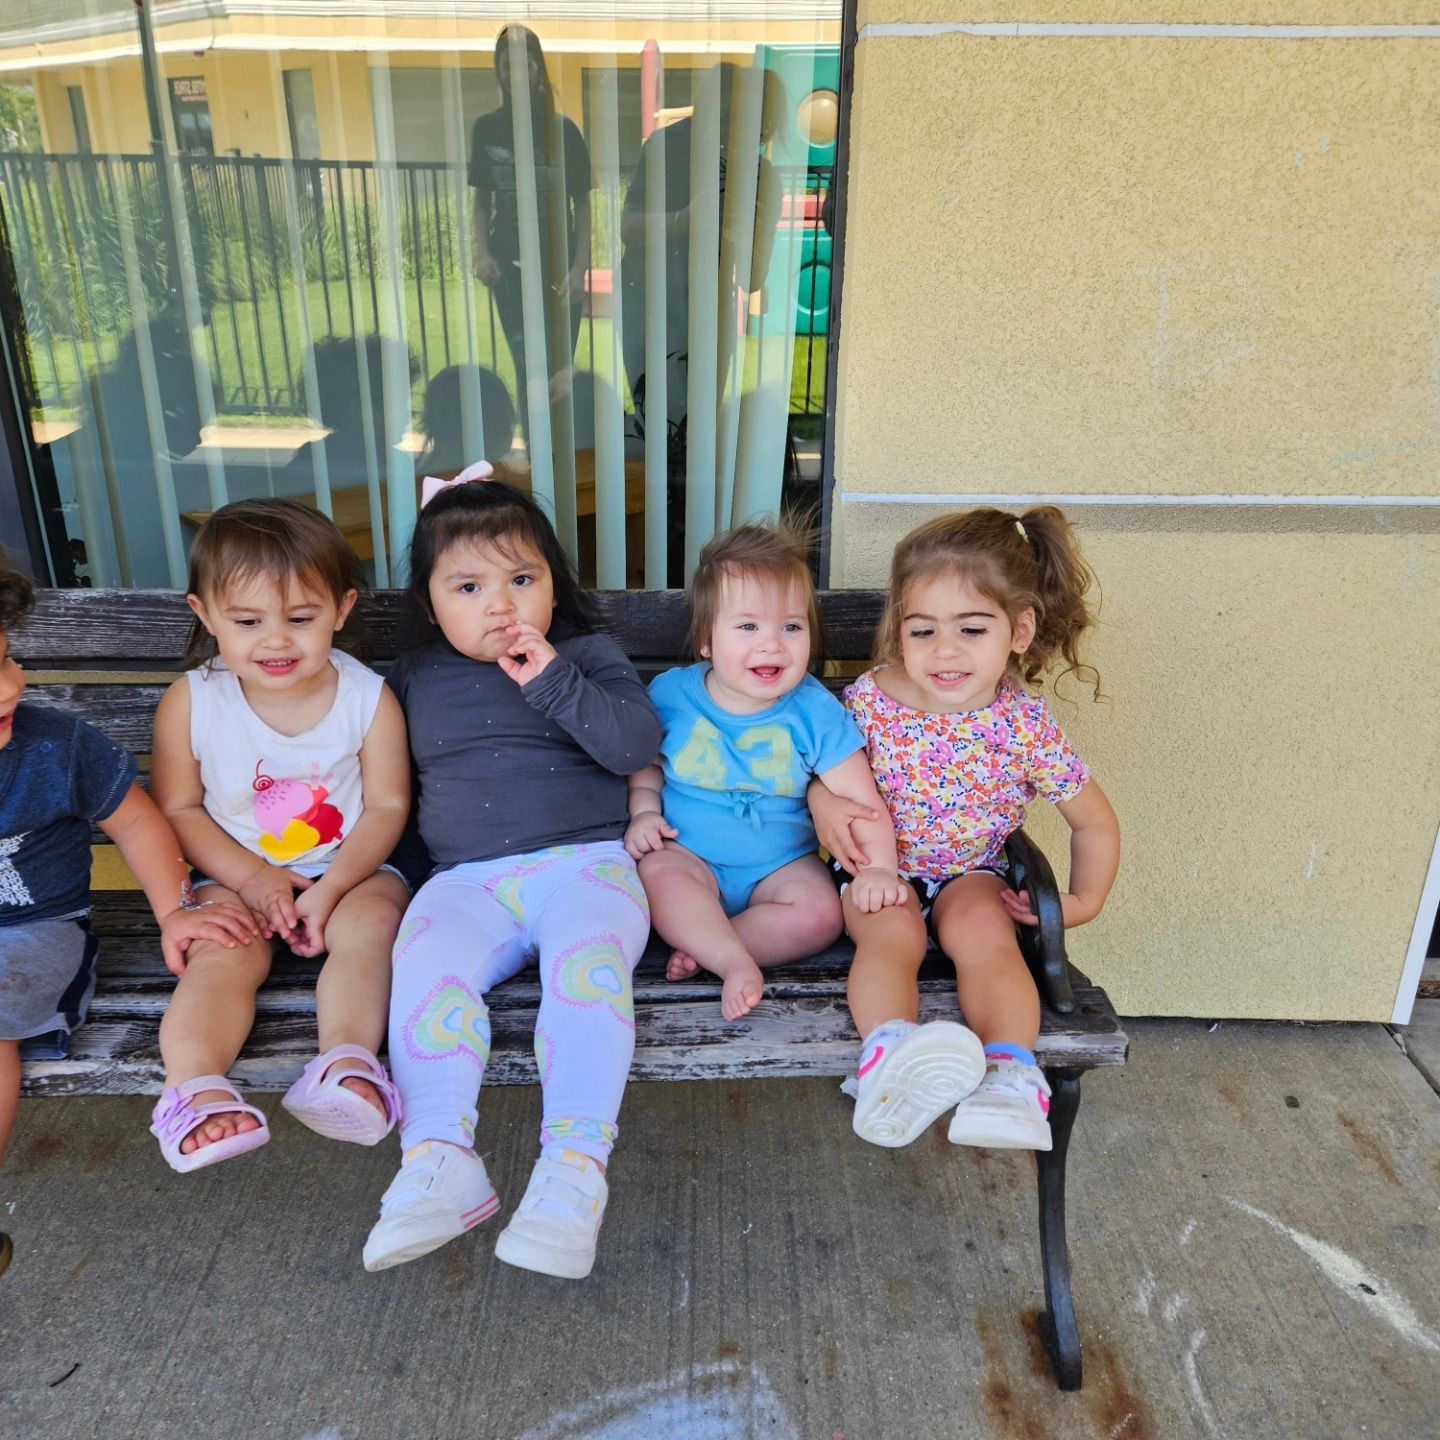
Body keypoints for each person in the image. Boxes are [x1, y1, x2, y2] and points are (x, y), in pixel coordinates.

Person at [363, 462, 662, 1281]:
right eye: (468, 587)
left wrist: (554, 681)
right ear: (430, 604)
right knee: (424, 970)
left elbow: (634, 747)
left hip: (589, 865)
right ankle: (438, 1157)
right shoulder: (416, 679)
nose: (501, 604)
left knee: (589, 972)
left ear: (553, 590)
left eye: (521, 579)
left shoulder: (588, 657)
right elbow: (388, 789)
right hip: (465, 880)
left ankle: (573, 1171)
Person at [813, 508, 1121, 1151]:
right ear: (900, 629)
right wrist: (824, 805)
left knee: (987, 936)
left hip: (972, 873)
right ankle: (889, 1061)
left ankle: (1009, 1077)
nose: (944, 651)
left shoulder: (1023, 725)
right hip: (878, 869)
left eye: (971, 629)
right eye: (922, 630)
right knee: (887, 936)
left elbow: (1092, 821)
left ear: (1019, 629)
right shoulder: (868, 701)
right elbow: (821, 773)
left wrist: (1085, 900)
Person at [0, 563, 259, 1274]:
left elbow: (142, 828)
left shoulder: (54, 746)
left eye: (6, 658)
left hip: (34, 935)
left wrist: (176, 912)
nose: (7, 687)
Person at [148, 501, 412, 1173]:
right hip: (233, 874)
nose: (276, 641)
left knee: (375, 927)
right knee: (220, 953)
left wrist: (333, 890)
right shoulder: (194, 701)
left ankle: (346, 1062)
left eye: (300, 619)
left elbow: (386, 806)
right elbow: (179, 809)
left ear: (342, 609)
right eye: (246, 621)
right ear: (204, 615)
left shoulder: (367, 697)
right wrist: (251, 879)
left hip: (348, 871)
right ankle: (196, 1086)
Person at [624, 519, 903, 1023]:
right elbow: (645, 765)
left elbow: (862, 801)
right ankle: (729, 960)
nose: (772, 644)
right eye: (748, 626)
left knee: (820, 915)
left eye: (791, 627)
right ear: (707, 640)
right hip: (690, 853)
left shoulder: (813, 712)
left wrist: (881, 868)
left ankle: (715, 949)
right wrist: (644, 812)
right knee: (658, 874)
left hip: (781, 865)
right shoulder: (671, 695)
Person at [470, 24, 592, 419]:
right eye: (508, 66)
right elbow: (482, 203)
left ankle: (565, 456)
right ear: (498, 72)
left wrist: (579, 269)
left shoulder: (565, 132)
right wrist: (483, 254)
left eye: (527, 65)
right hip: (509, 271)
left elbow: (584, 204)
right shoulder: (486, 130)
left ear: (539, 69)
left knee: (560, 372)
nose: (518, 74)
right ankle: (537, 456)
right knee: (528, 371)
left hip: (559, 270)